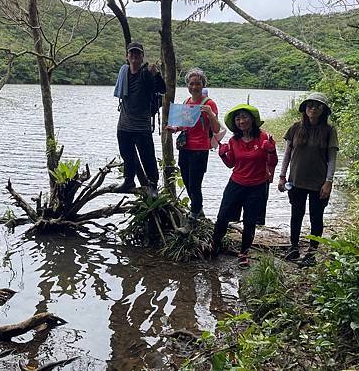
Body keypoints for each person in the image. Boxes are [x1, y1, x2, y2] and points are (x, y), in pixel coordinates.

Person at [212, 104, 278, 267]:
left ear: (253, 120)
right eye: (238, 118)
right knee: (222, 217)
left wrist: (271, 150)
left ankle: (244, 253)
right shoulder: (234, 140)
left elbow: (273, 162)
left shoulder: (264, 137)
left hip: (257, 185)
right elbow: (231, 164)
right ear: (235, 123)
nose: (241, 121)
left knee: (250, 221)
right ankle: (215, 245)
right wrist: (222, 155)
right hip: (236, 183)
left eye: (245, 117)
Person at [278, 92, 339, 267]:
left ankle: (312, 252)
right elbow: (287, 153)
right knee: (296, 214)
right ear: (305, 108)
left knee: (316, 217)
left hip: (319, 183)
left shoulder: (329, 130)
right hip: (296, 180)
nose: (312, 108)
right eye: (309, 105)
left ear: (323, 110)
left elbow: (332, 158)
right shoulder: (296, 127)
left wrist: (329, 181)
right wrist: (282, 176)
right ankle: (294, 247)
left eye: (317, 106)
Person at [166, 68, 220, 221]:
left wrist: (210, 114)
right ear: (187, 86)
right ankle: (199, 211)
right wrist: (174, 128)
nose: (194, 87)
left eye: (198, 84)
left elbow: (216, 129)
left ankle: (193, 217)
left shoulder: (209, 103)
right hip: (185, 148)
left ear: (203, 85)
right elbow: (184, 125)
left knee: (195, 185)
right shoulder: (187, 102)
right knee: (188, 184)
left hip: (200, 150)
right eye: (191, 84)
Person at [113, 41, 166, 197]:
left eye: (138, 54)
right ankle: (129, 180)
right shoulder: (123, 72)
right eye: (132, 54)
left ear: (142, 57)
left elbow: (162, 89)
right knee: (127, 155)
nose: (134, 57)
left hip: (142, 125)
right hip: (124, 124)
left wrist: (156, 74)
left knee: (147, 156)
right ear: (127, 56)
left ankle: (153, 185)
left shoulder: (146, 74)